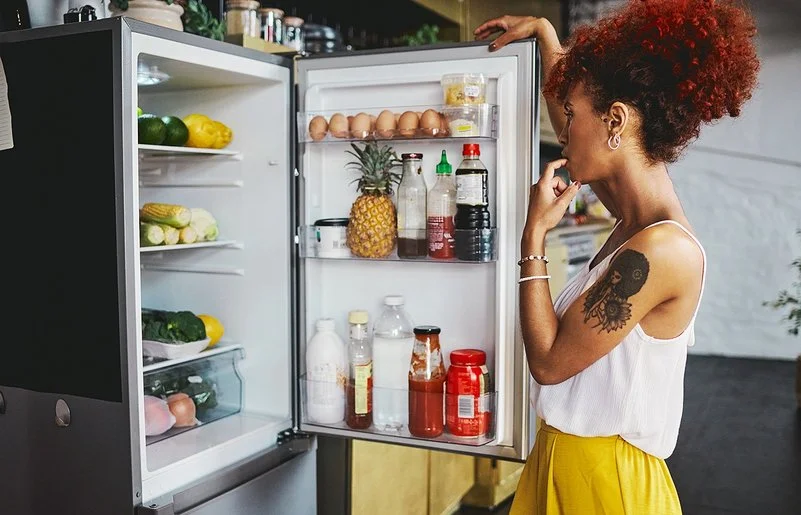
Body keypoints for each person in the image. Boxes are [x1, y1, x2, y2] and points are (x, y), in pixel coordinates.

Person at [474, 1, 759, 513]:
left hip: (609, 485)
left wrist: (533, 237)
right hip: (562, 463)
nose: (563, 133)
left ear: (616, 121)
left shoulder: (663, 250)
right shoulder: (631, 217)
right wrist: (545, 35)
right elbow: (577, 114)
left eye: (571, 117)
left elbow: (549, 363)